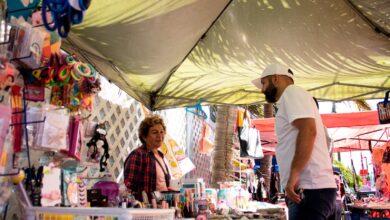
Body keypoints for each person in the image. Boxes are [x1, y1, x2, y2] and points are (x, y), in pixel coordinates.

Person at [252, 63, 337, 219]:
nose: (262, 89)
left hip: (309, 191)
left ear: (276, 79)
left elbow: (308, 130)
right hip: (314, 190)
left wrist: (292, 179)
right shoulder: (296, 97)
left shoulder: (291, 93)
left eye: (264, 83)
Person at [123, 115, 171, 201]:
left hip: (162, 207)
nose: (160, 136)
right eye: (155, 132)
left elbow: (161, 185)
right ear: (144, 136)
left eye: (161, 132)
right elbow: (129, 187)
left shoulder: (160, 155)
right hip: (146, 209)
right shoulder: (138, 155)